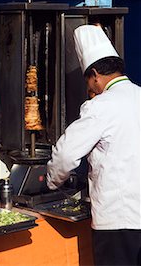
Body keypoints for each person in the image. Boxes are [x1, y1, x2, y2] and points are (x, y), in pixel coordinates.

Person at [46, 24, 141, 266]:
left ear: (95, 74)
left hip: (118, 221)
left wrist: (52, 181)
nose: (89, 89)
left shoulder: (100, 106)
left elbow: (65, 155)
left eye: (88, 81)